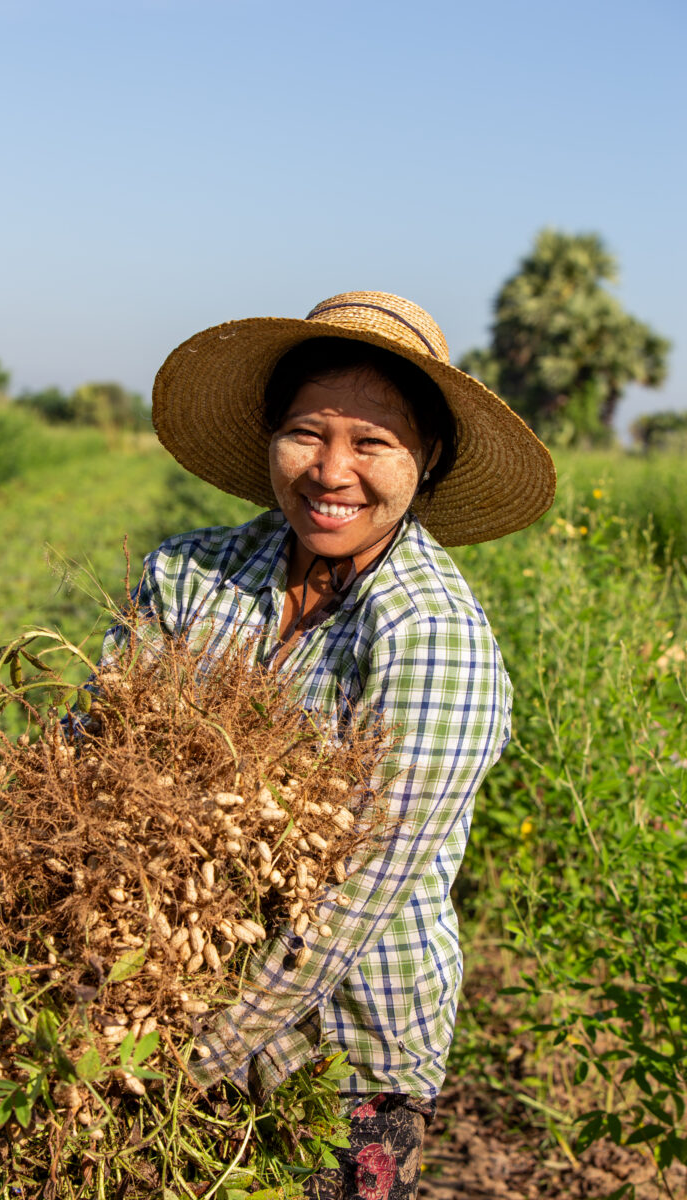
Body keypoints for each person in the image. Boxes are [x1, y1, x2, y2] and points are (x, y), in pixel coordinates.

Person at [109, 291, 556, 1197]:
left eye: (373, 443)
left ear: (425, 460)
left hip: (341, 1053)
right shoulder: (190, 574)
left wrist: (180, 1061)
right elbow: (100, 760)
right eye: (308, 433)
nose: (332, 471)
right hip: (139, 998)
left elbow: (350, 903)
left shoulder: (432, 635)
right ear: (270, 439)